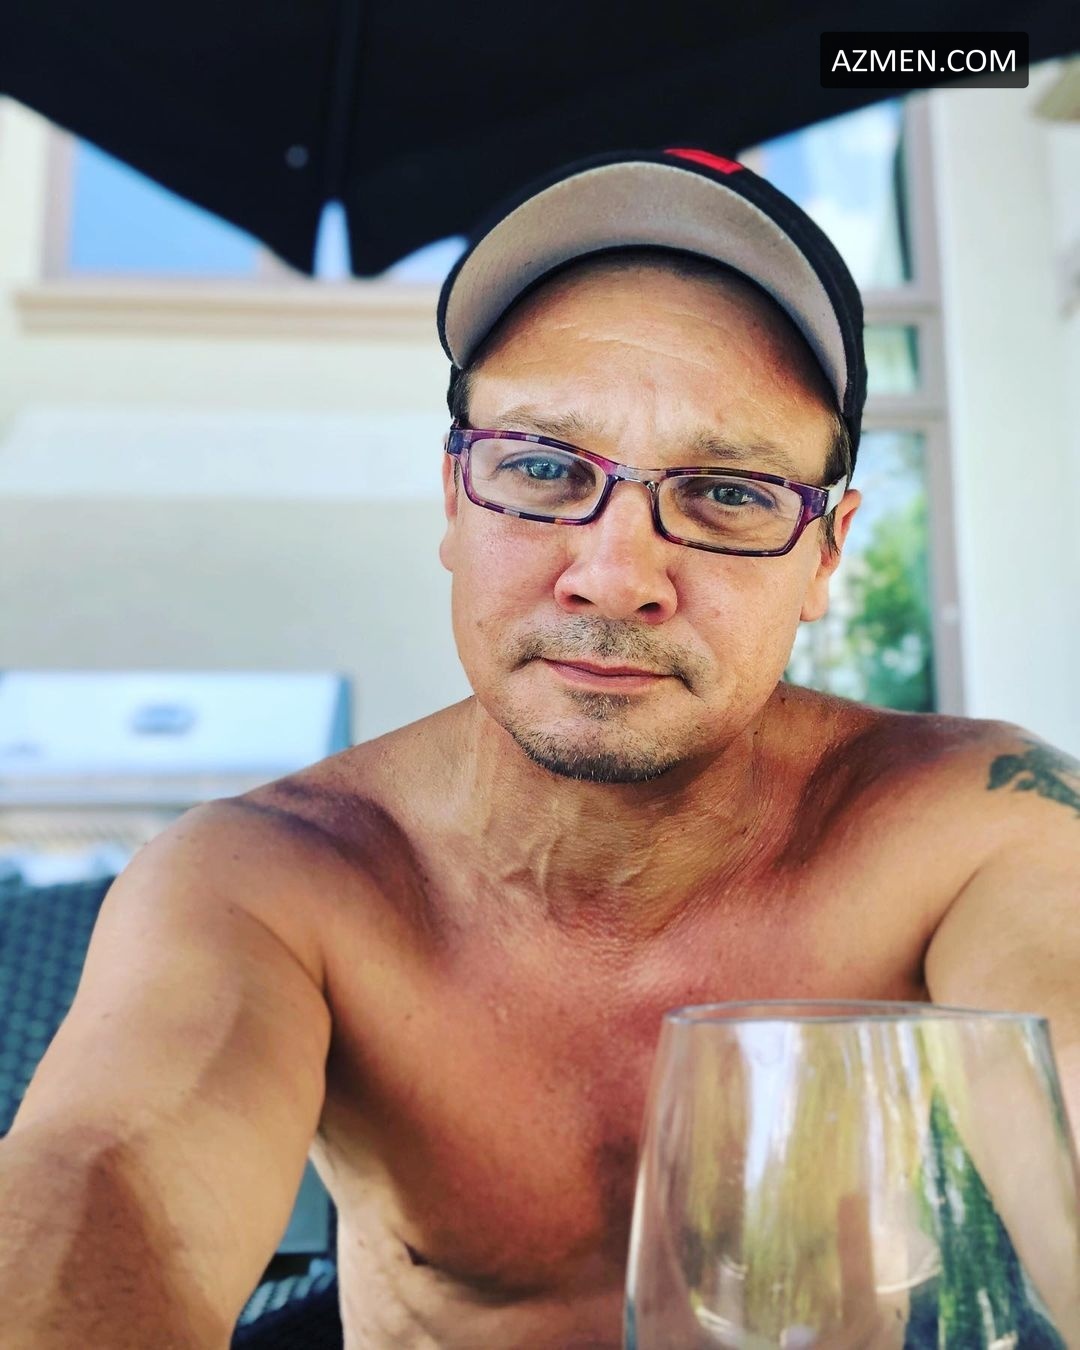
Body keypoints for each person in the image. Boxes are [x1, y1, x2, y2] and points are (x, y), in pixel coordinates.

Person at [1, 148, 1078, 1350]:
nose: (615, 575)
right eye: (544, 469)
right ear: (454, 500)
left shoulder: (972, 827)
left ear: (826, 554)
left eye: (728, 492)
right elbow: (113, 1177)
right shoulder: (273, 881)